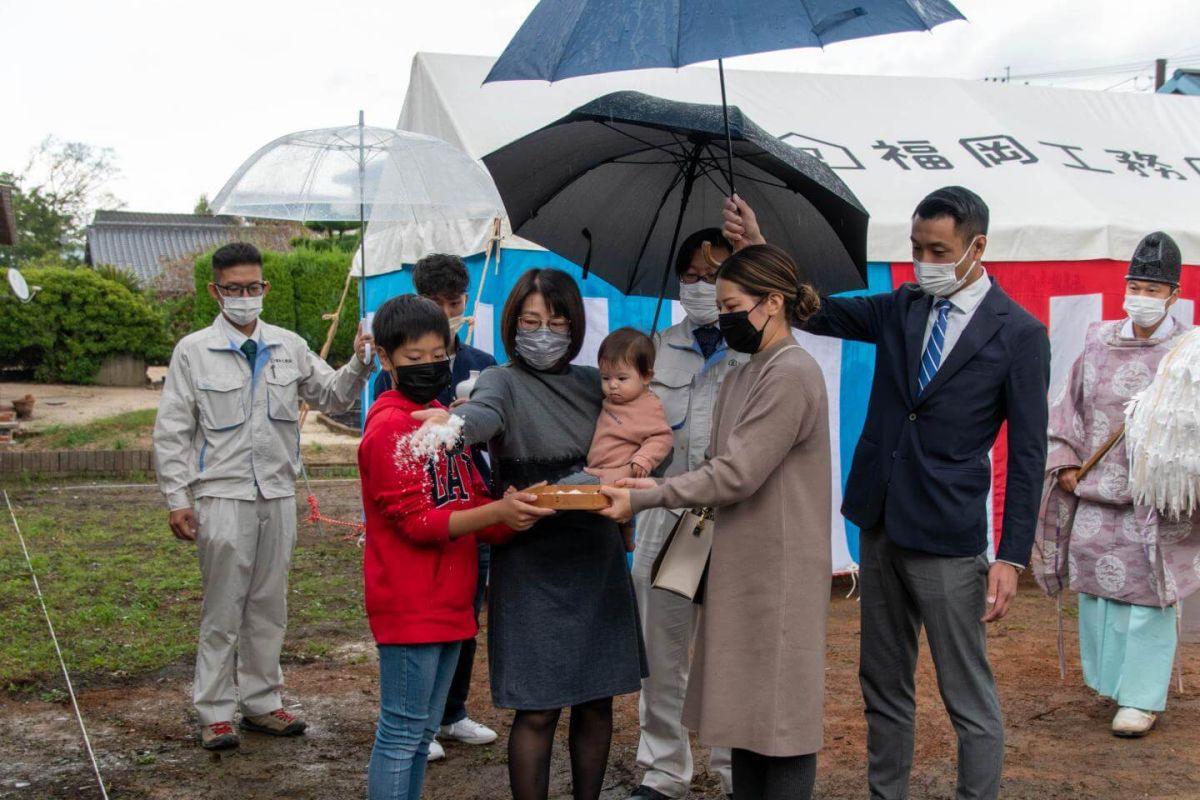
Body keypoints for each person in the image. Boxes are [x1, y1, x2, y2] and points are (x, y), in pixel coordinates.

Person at [723, 186, 1050, 800]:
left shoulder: (1020, 334)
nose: (924, 260)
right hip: (878, 523)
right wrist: (761, 247)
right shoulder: (904, 305)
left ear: (977, 247)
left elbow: (1029, 453)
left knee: (967, 695)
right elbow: (818, 310)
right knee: (883, 685)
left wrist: (1011, 556)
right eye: (916, 246)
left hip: (950, 539)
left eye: (938, 249)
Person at [601, 244, 832, 800]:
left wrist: (650, 499)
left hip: (777, 565)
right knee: (744, 706)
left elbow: (737, 473)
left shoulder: (792, 372)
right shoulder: (744, 373)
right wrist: (652, 485)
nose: (723, 315)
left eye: (732, 304)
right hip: (733, 557)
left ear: (772, 303)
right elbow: (711, 465)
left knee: (778, 714)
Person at [412, 268, 647, 800]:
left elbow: (651, 436)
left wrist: (627, 464)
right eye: (532, 321)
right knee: (536, 708)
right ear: (514, 323)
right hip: (530, 552)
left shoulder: (599, 384)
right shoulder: (501, 379)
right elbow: (481, 415)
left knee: (597, 701)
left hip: (595, 554)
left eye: (558, 322)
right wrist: (451, 428)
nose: (544, 333)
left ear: (576, 327)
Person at [153, 242, 374, 750]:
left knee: (269, 604)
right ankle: (215, 711)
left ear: (265, 289)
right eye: (234, 289)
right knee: (223, 607)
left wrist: (360, 362)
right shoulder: (193, 351)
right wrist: (177, 497)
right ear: (216, 291)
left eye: (253, 288)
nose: (245, 297)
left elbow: (334, 397)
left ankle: (261, 701)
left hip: (277, 493)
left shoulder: (289, 346)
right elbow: (172, 432)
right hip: (222, 497)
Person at [359, 294, 553, 799]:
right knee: (402, 734)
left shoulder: (443, 423)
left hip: (452, 601)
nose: (429, 366)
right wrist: (495, 513)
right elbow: (418, 523)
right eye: (412, 358)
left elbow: (472, 504)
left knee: (422, 734)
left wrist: (512, 512)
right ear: (385, 359)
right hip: (410, 602)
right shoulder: (390, 429)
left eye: (437, 356)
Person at [1034, 231, 1199, 738]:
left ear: (1173, 294)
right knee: (1098, 596)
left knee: (1148, 599)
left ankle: (1142, 698)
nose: (1142, 296)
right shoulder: (1095, 342)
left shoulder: (1188, 354)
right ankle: (1112, 684)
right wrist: (1064, 460)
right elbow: (1066, 405)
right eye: (1136, 285)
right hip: (1096, 496)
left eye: (1154, 288)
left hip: (1154, 502)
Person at [625, 228, 741, 800]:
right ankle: (664, 769)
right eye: (691, 275)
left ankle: (733, 766)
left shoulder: (755, 355)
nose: (699, 286)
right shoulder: (653, 348)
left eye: (713, 275)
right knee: (661, 650)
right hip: (669, 519)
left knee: (731, 651)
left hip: (736, 523)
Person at [373, 252, 499, 760]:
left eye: (456, 303)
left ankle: (451, 713)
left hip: (466, 531)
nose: (449, 312)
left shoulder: (481, 366)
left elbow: (483, 458)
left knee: (464, 622)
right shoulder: (391, 403)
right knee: (406, 719)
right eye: (438, 303)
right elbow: (410, 507)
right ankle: (423, 721)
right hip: (419, 552)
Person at [565, 327, 673, 551]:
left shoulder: (648, 405)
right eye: (605, 378)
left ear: (647, 377)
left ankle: (626, 536)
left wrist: (643, 459)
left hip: (620, 474)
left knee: (617, 511)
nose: (612, 385)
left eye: (622, 378)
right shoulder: (614, 398)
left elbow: (661, 436)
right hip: (598, 468)